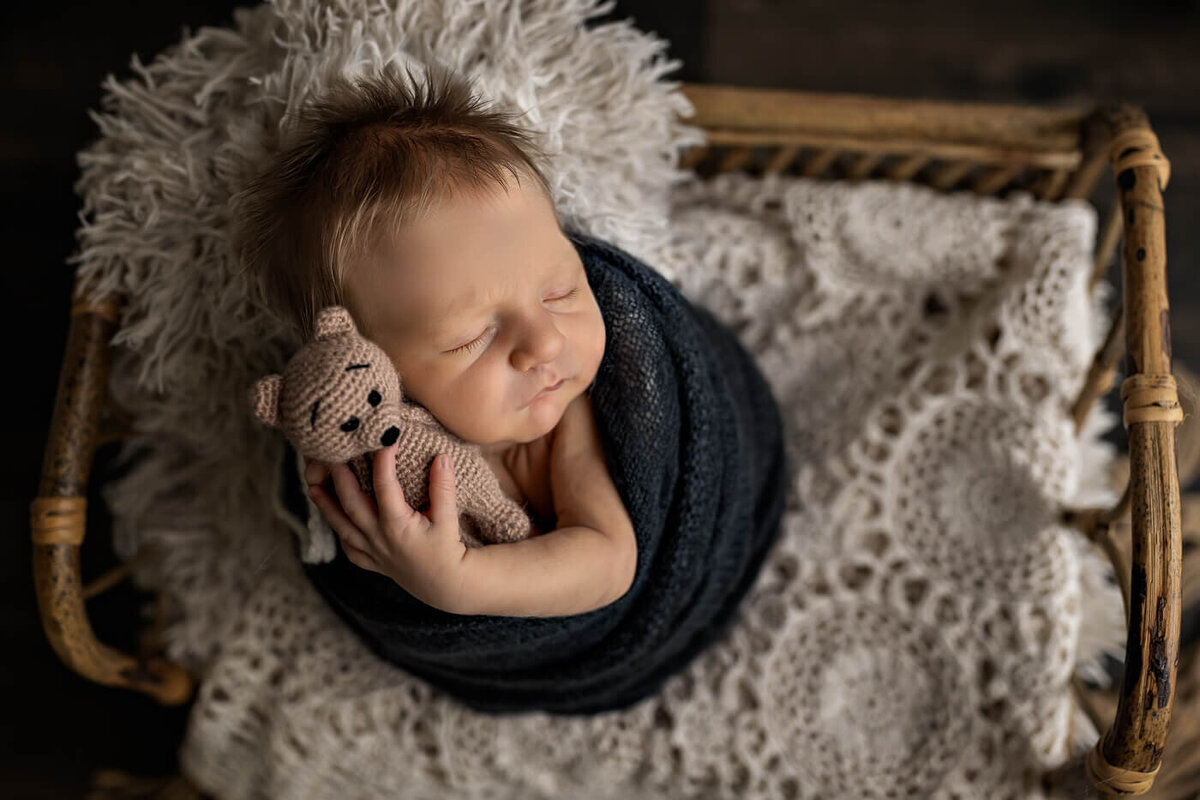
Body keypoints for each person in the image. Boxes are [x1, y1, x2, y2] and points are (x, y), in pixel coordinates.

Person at [231, 62, 636, 619]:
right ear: (375, 366)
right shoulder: (369, 447)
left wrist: (463, 584)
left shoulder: (568, 421)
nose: (544, 342)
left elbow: (610, 561)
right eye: (473, 337)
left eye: (561, 292)